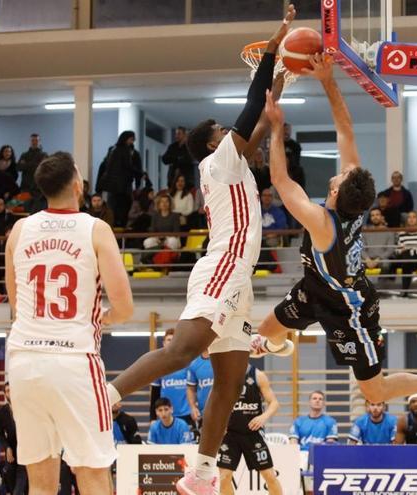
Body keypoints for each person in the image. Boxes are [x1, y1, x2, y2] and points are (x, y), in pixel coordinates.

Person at [103, 9, 296, 492]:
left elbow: (257, 125)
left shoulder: (229, 161)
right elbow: (250, 112)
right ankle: (105, 394)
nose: (231, 134)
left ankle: (203, 473)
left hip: (239, 274)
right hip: (224, 265)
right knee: (183, 348)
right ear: (214, 141)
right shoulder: (220, 159)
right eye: (224, 131)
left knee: (230, 379)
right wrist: (273, 49)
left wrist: (279, 91)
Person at [252, 53, 417, 425]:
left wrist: (275, 128)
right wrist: (327, 80)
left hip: (349, 310)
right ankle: (279, 340)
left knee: (374, 391)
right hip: (317, 287)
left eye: (335, 180)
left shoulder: (322, 223)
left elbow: (282, 182)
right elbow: (345, 132)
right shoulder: (353, 198)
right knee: (265, 334)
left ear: (336, 195)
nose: (335, 176)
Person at [3, 151, 134, 495]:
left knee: (41, 483)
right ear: (77, 184)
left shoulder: (19, 230)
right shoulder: (96, 228)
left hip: (23, 359)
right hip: (74, 358)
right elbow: (124, 307)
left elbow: (17, 303)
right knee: (92, 473)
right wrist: (103, 317)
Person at [218, 365, 281, 495]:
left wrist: (263, 417)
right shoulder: (223, 375)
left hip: (253, 433)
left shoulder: (258, 375)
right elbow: (217, 403)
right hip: (230, 434)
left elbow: (274, 403)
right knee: (224, 478)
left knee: (269, 476)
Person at [96, 131, 144, 227]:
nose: (132, 142)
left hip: (112, 187)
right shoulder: (126, 151)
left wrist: (99, 187)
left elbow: (104, 167)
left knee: (113, 210)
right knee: (123, 210)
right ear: (127, 139)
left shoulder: (113, 150)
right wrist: (140, 175)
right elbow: (128, 167)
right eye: (131, 139)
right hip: (123, 187)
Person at [150, 329, 194, 430]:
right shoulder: (158, 366)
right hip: (166, 415)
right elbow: (154, 394)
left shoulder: (189, 364)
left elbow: (194, 390)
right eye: (169, 340)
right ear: (164, 343)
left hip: (186, 415)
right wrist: (152, 418)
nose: (171, 342)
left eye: (174, 340)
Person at [0, 382, 28, 495]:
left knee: (20, 481)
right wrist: (7, 447)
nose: (11, 393)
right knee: (10, 473)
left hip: (26, 449)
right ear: (5, 394)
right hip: (12, 450)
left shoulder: (26, 408)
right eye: (8, 390)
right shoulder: (1, 412)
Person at [390, 212, 417, 297]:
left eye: (414, 217)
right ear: (406, 220)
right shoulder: (401, 234)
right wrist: (412, 249)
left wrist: (410, 250)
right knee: (406, 259)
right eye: (409, 217)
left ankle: (405, 292)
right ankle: (413, 275)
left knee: (407, 259)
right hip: (405, 258)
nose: (411, 219)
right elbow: (398, 250)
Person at [186, 352, 214, 430]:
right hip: (203, 414)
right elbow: (190, 388)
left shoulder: (222, 359)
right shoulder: (194, 364)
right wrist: (193, 407)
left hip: (223, 413)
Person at [363, 208, 394, 273]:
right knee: (355, 263)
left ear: (382, 217)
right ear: (370, 218)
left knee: (386, 264)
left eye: (377, 215)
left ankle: (383, 282)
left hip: (382, 259)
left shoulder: (389, 232)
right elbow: (361, 248)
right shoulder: (365, 231)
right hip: (368, 259)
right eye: (373, 215)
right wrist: (367, 259)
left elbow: (390, 250)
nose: (375, 217)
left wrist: (377, 260)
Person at [18, 134, 48, 198]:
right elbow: (19, 167)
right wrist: (36, 164)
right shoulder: (24, 155)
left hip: (39, 187)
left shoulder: (44, 155)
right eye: (32, 140)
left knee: (38, 207)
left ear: (39, 141)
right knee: (25, 206)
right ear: (30, 142)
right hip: (25, 187)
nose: (34, 142)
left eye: (36, 140)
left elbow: (44, 168)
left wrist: (26, 164)